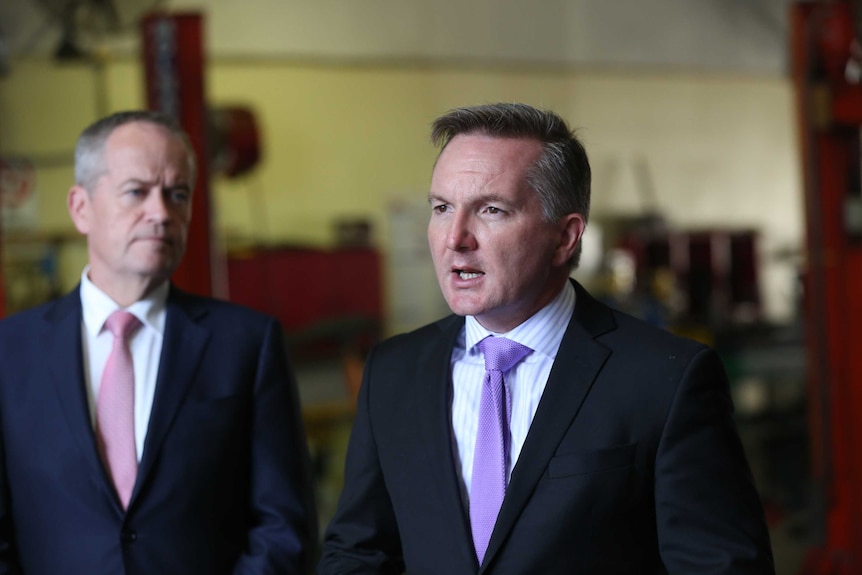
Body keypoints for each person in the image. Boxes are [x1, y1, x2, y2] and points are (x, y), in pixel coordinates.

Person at [318, 102, 774, 574]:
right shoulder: (394, 372)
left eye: (491, 210)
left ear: (565, 237)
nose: (455, 238)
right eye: (442, 208)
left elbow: (722, 567)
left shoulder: (665, 380)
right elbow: (359, 552)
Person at [0, 110, 314, 574]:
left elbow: (284, 522)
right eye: (136, 192)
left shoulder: (246, 344)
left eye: (177, 194)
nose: (161, 213)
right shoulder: (11, 351)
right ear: (80, 207)